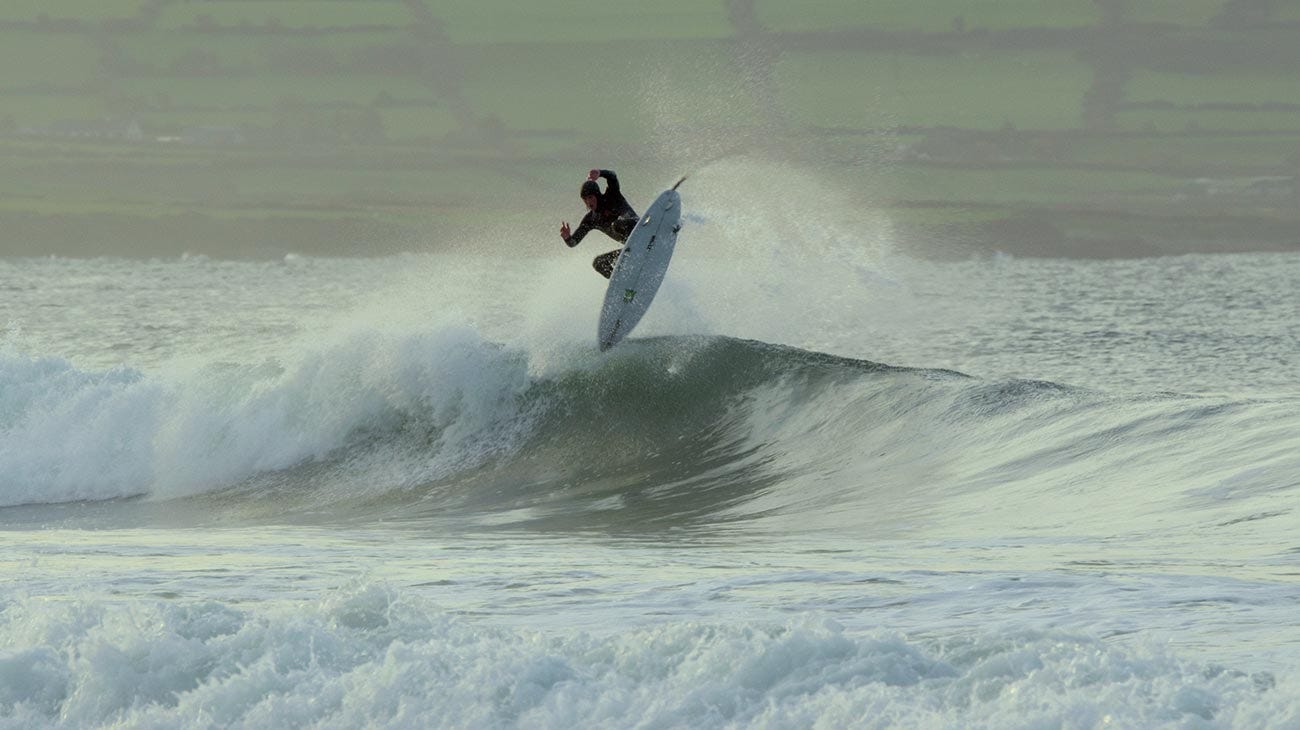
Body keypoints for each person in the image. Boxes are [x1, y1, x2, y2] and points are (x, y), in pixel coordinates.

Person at [560, 168, 639, 279]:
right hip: (631, 249)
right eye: (585, 199)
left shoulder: (612, 195)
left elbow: (612, 176)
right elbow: (574, 242)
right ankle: (624, 280)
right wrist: (567, 238)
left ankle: (641, 243)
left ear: (597, 195)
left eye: (591, 197)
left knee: (616, 225)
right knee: (598, 263)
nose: (588, 202)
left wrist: (600, 173)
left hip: (639, 228)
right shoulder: (591, 219)